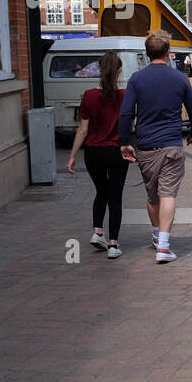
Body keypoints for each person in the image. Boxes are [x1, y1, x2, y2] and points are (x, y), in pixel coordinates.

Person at [118, 31, 192, 263]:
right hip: (171, 144)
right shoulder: (179, 79)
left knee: (152, 195)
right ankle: (163, 246)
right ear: (167, 52)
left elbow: (126, 113)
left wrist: (125, 141)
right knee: (168, 194)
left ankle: (157, 236)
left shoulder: (136, 79)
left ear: (147, 53)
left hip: (145, 146)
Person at [66, 50, 129, 258]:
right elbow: (132, 124)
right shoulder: (125, 96)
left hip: (93, 152)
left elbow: (83, 129)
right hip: (116, 151)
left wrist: (73, 155)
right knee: (115, 197)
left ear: (99, 69)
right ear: (119, 71)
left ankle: (97, 232)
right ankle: (113, 245)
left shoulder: (89, 95)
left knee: (101, 191)